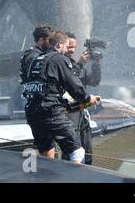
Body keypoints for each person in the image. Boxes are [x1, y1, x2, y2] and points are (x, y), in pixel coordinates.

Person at [21, 31, 99, 163]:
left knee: (47, 151)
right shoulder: (58, 59)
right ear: (60, 44)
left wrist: (64, 101)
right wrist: (87, 98)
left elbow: (43, 87)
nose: (68, 49)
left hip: (32, 113)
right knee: (77, 151)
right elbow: (74, 86)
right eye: (67, 45)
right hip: (50, 114)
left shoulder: (36, 59)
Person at [61, 32, 102, 165]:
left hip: (81, 114)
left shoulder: (74, 64)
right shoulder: (57, 63)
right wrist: (79, 64)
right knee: (72, 151)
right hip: (67, 114)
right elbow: (69, 81)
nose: (72, 50)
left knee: (87, 152)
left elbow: (94, 81)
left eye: (74, 47)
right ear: (62, 45)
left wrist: (96, 63)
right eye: (69, 46)